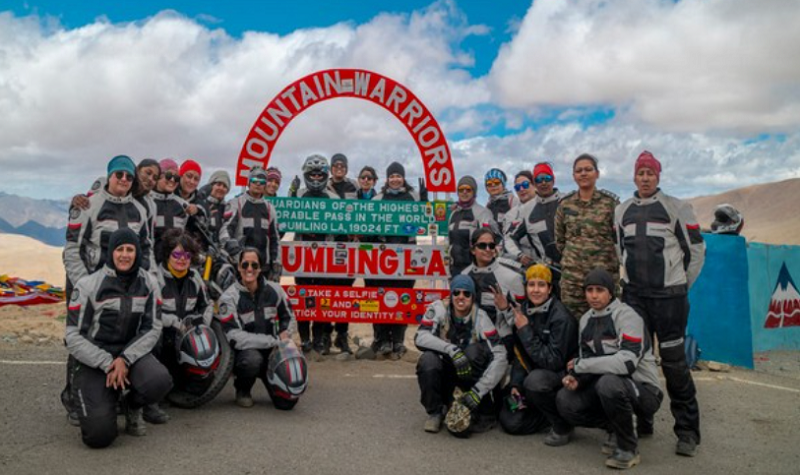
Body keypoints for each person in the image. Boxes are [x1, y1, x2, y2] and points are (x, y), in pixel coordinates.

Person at [615, 151, 706, 457]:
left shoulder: (677, 207)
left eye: (650, 173)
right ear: (633, 176)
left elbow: (695, 251)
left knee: (675, 364)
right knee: (636, 360)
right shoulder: (622, 210)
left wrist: (679, 285)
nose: (644, 178)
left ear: (658, 176)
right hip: (635, 298)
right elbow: (620, 251)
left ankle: (688, 432)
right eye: (640, 172)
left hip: (670, 300)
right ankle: (644, 420)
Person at [537, 268, 663, 470]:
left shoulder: (628, 316)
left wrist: (581, 365)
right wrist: (578, 378)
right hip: (609, 387)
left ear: (610, 292)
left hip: (645, 391)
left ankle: (628, 448)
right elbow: (588, 359)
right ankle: (616, 426)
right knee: (565, 400)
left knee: (608, 383)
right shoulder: (586, 320)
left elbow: (627, 363)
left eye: (600, 290)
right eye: (589, 290)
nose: (594, 295)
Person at [65, 228, 172, 448]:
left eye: (130, 249)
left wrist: (125, 359)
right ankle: (104, 398)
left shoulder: (150, 284)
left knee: (160, 381)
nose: (125, 255)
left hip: (130, 355)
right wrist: (108, 363)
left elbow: (152, 328)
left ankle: (131, 405)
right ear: (111, 252)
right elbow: (73, 336)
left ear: (137, 253)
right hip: (96, 360)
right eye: (119, 249)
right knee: (98, 436)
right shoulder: (88, 285)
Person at [415, 275, 508, 433]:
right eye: (456, 293)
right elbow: (420, 337)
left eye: (466, 294)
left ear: (473, 297)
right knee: (428, 361)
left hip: (468, 379)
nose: (461, 297)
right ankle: (435, 413)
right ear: (451, 295)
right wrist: (452, 350)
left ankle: (473, 404)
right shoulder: (438, 308)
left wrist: (479, 391)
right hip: (445, 372)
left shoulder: (481, 317)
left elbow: (501, 355)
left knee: (475, 352)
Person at [499, 264, 577, 436]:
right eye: (531, 285)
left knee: (535, 382)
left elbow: (553, 361)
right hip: (533, 373)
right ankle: (540, 413)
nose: (536, 290)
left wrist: (525, 331)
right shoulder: (525, 309)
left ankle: (561, 422)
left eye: (541, 285)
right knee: (511, 423)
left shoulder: (561, 317)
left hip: (560, 374)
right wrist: (516, 384)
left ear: (549, 288)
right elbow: (520, 354)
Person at [218, 247, 298, 409]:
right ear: (239, 267)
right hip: (247, 354)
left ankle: (277, 384)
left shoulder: (275, 290)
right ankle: (243, 390)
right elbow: (235, 337)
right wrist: (274, 341)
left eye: (254, 265)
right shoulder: (228, 297)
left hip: (274, 353)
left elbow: (289, 317)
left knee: (286, 403)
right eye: (245, 264)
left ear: (260, 268)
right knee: (252, 361)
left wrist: (286, 333)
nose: (249, 269)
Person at [150, 229, 214, 423]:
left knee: (204, 376)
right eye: (176, 254)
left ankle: (178, 390)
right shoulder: (155, 279)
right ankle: (152, 399)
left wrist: (201, 324)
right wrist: (176, 323)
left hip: (186, 340)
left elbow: (207, 305)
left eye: (187, 255)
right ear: (167, 254)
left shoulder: (195, 278)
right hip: (164, 339)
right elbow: (152, 314)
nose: (182, 259)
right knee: (154, 339)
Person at [555, 154, 619, 319]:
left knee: (606, 326)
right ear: (574, 176)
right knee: (571, 327)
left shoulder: (610, 204)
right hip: (573, 281)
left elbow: (619, 239)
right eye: (579, 171)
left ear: (597, 174)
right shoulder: (565, 204)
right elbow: (560, 240)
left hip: (603, 280)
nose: (583, 173)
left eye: (588, 169)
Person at [370, 162, 420, 358]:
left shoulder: (413, 198)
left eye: (399, 176)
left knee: (403, 297)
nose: (395, 179)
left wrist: (424, 200)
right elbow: (369, 227)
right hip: (383, 257)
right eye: (392, 176)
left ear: (403, 178)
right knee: (381, 297)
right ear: (387, 178)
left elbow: (426, 219)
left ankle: (398, 340)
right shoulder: (378, 199)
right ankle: (382, 339)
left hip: (407, 255)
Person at [293, 155, 341, 356]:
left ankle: (319, 339)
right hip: (302, 256)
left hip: (325, 257)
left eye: (319, 174)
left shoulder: (333, 198)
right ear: (305, 175)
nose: (315, 177)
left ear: (325, 175)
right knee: (303, 296)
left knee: (321, 298)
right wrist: (291, 194)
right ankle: (304, 340)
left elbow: (342, 226)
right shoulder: (299, 194)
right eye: (311, 174)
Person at [461, 228, 525, 350]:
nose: (488, 250)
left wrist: (505, 308)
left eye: (491, 246)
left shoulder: (512, 277)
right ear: (473, 250)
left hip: (502, 343)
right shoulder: (464, 275)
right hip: (471, 339)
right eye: (482, 246)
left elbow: (523, 321)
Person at [219, 166, 282, 282]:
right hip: (241, 266)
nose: (258, 184)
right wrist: (229, 243)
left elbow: (275, 239)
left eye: (262, 181)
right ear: (249, 182)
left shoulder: (270, 208)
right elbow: (226, 229)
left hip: (264, 268)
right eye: (254, 180)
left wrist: (277, 263)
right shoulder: (236, 203)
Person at [324, 153, 358, 353]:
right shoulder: (323, 187)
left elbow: (367, 209)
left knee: (345, 293)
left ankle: (342, 335)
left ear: (346, 167)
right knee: (328, 292)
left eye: (342, 165)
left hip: (349, 248)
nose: (339, 167)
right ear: (331, 168)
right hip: (329, 247)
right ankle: (327, 335)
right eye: (335, 165)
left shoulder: (353, 186)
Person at [505, 162, 563, 273]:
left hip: (575, 267)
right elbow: (508, 238)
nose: (544, 183)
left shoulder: (567, 201)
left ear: (553, 180)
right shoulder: (526, 210)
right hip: (546, 270)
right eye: (539, 180)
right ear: (535, 183)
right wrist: (519, 255)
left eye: (547, 178)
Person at [448, 176, 498, 276]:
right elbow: (450, 241)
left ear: (474, 192)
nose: (464, 192)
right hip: (455, 268)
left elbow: (489, 241)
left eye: (468, 189)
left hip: (476, 268)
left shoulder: (483, 212)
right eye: (461, 189)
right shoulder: (453, 214)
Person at [151, 158, 189, 262]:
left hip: (175, 264)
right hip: (152, 264)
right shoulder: (146, 201)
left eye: (176, 178)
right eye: (168, 176)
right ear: (159, 177)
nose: (172, 180)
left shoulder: (183, 205)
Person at [195, 170, 231, 247]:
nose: (221, 188)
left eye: (225, 186)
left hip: (218, 250)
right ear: (210, 186)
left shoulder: (227, 208)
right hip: (199, 248)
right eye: (218, 184)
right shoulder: (200, 203)